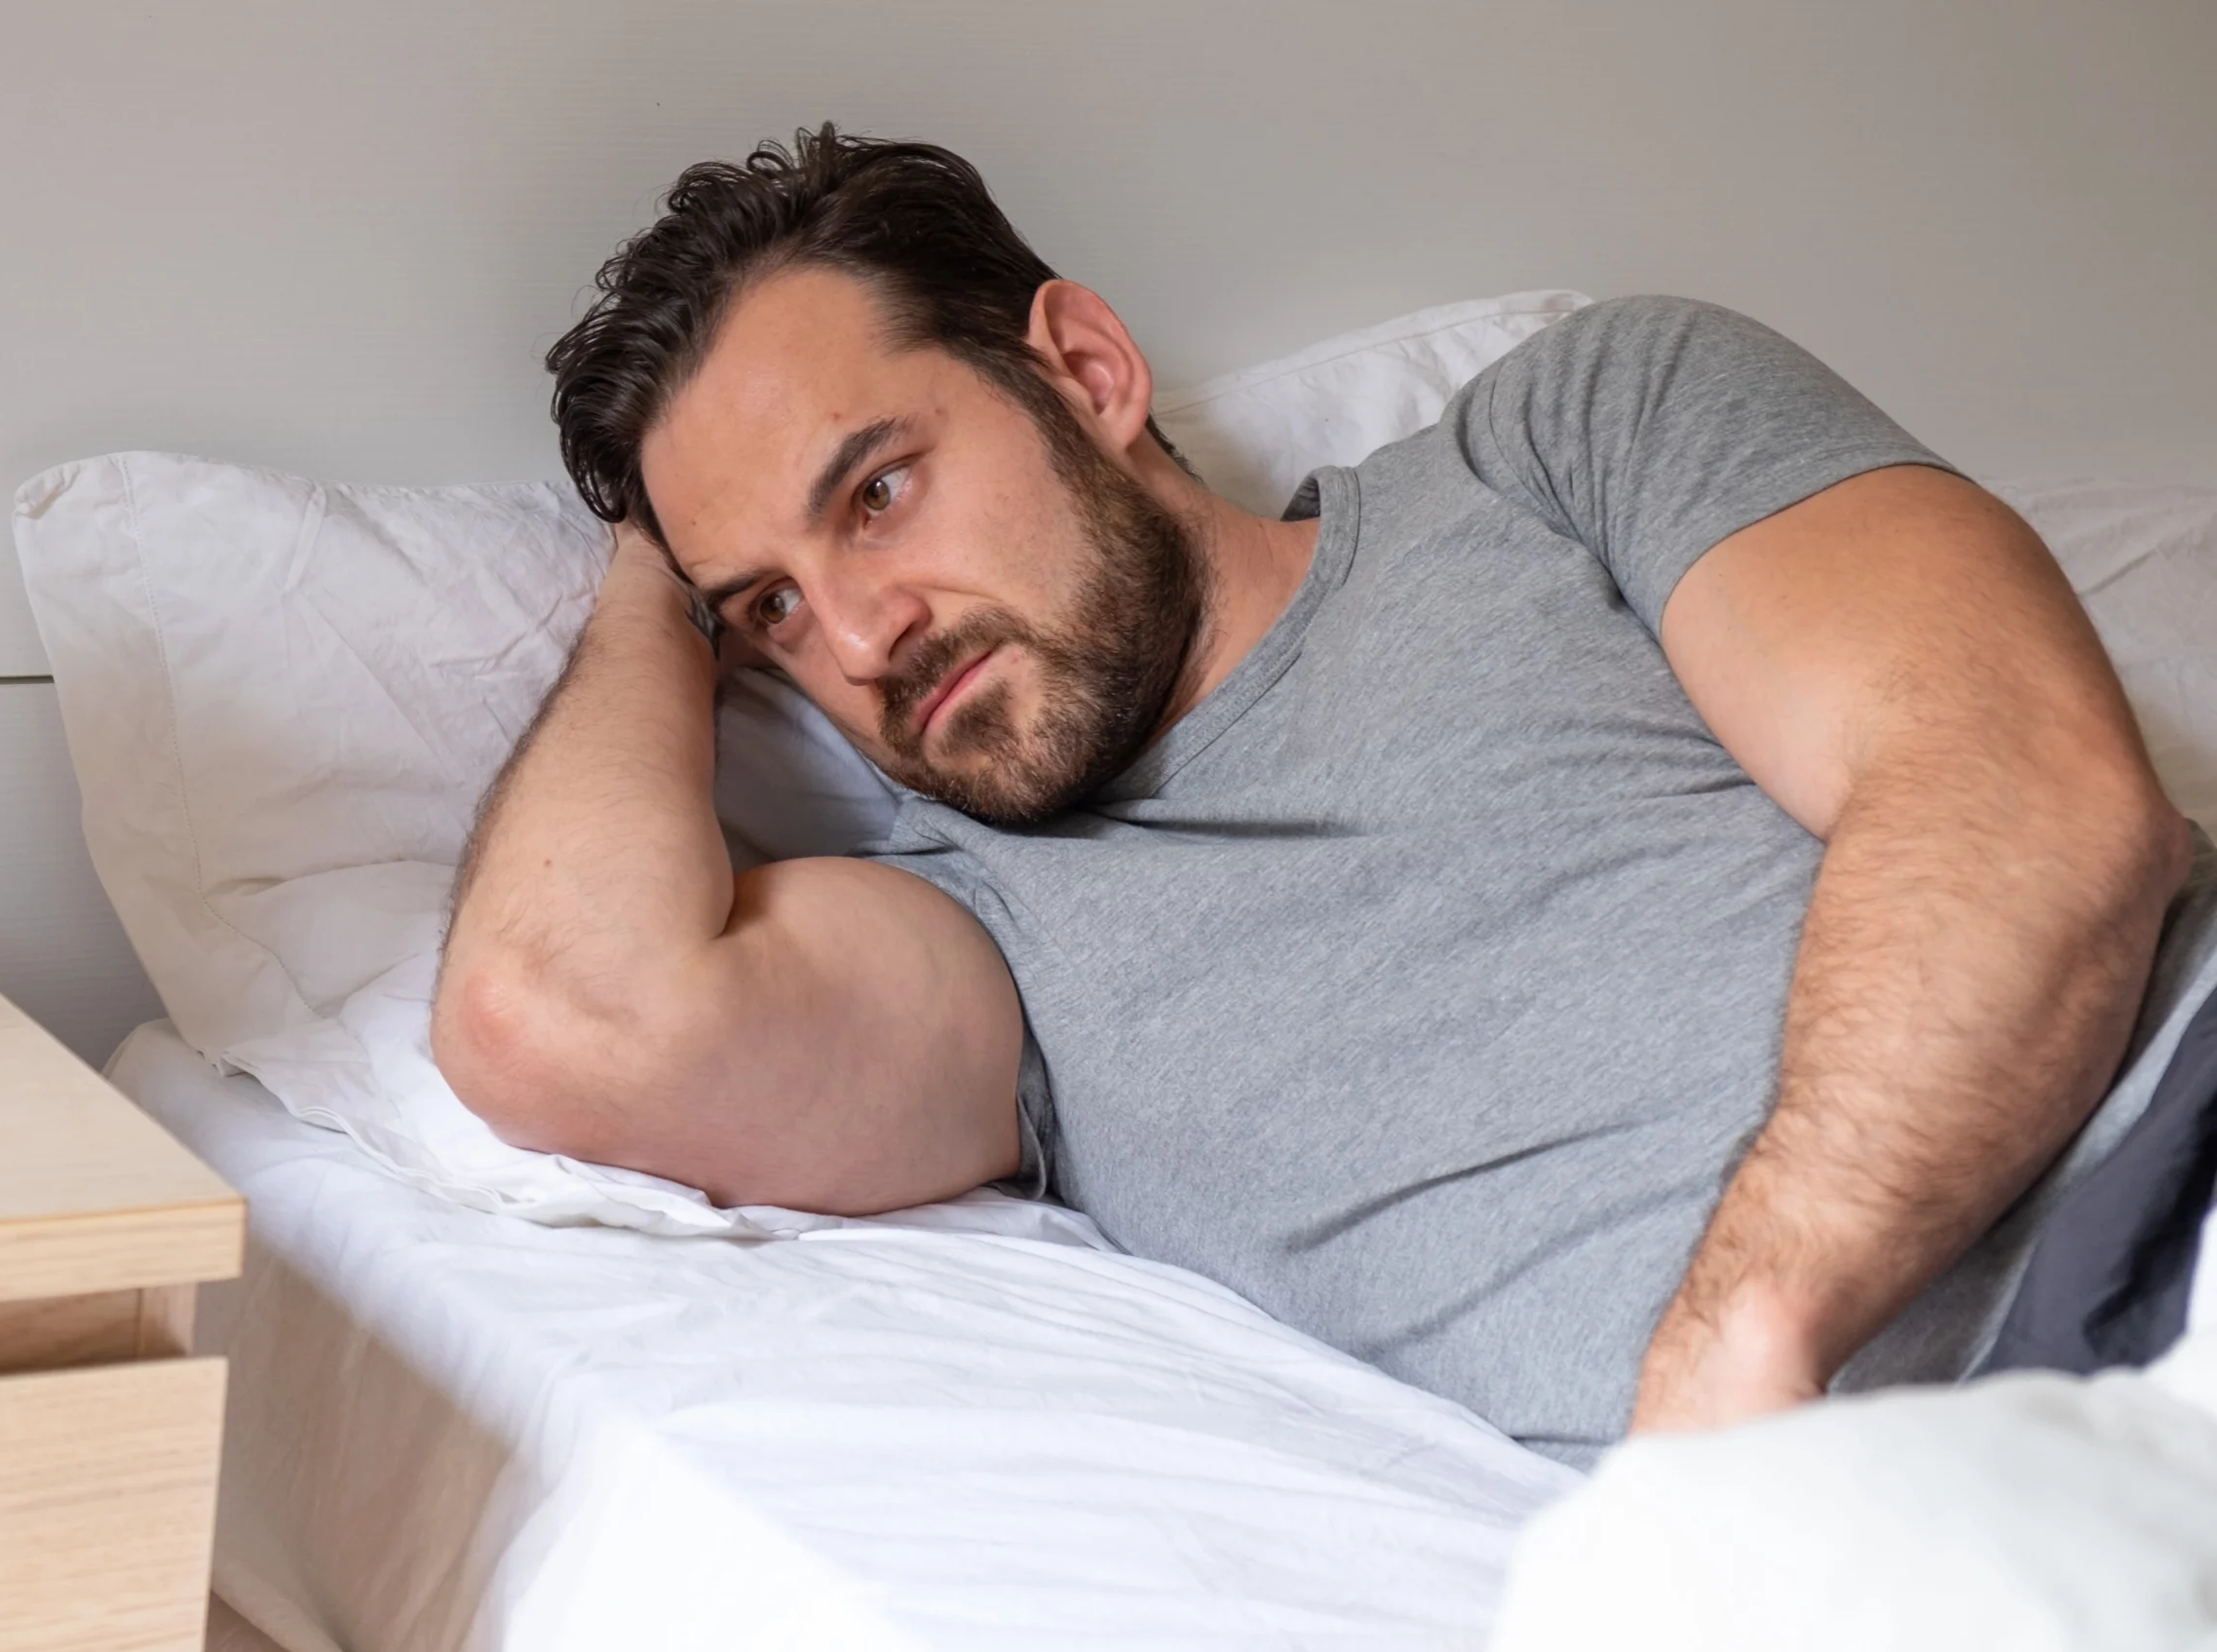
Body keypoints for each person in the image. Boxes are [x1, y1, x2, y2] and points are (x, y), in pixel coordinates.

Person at [434, 126, 2217, 1468]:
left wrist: (1749, 1335)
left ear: (1087, 371)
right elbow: (565, 1013)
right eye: (773, 610)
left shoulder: (1571, 434)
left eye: (879, 492)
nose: (863, 633)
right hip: (2024, 1497)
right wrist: (654, 583)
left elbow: (2029, 793)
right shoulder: (993, 951)